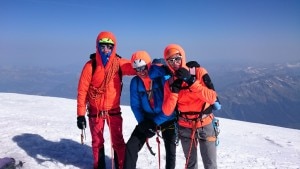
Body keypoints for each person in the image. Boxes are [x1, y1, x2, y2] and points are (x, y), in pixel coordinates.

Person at [76, 31, 136, 169]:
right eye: (103, 46)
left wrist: (158, 66)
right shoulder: (90, 66)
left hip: (113, 111)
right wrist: (80, 115)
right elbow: (82, 91)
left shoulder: (119, 63)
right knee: (97, 142)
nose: (105, 50)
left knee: (118, 142)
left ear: (113, 47)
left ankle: (121, 166)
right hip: (95, 111)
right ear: (97, 46)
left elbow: (137, 67)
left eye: (109, 46)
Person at [161, 44, 221, 169]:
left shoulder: (198, 72)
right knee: (190, 165)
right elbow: (167, 111)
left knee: (210, 165)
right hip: (185, 127)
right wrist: (174, 92)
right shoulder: (170, 83)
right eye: (170, 61)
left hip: (204, 123)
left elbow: (212, 97)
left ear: (182, 57)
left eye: (177, 58)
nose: (175, 63)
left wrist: (191, 82)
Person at [124, 51, 177, 169]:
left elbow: (170, 104)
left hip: (167, 118)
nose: (141, 72)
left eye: (143, 67)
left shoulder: (162, 77)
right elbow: (136, 106)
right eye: (137, 69)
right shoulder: (135, 82)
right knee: (131, 146)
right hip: (147, 119)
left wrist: (154, 123)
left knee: (170, 150)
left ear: (148, 65)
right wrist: (143, 123)